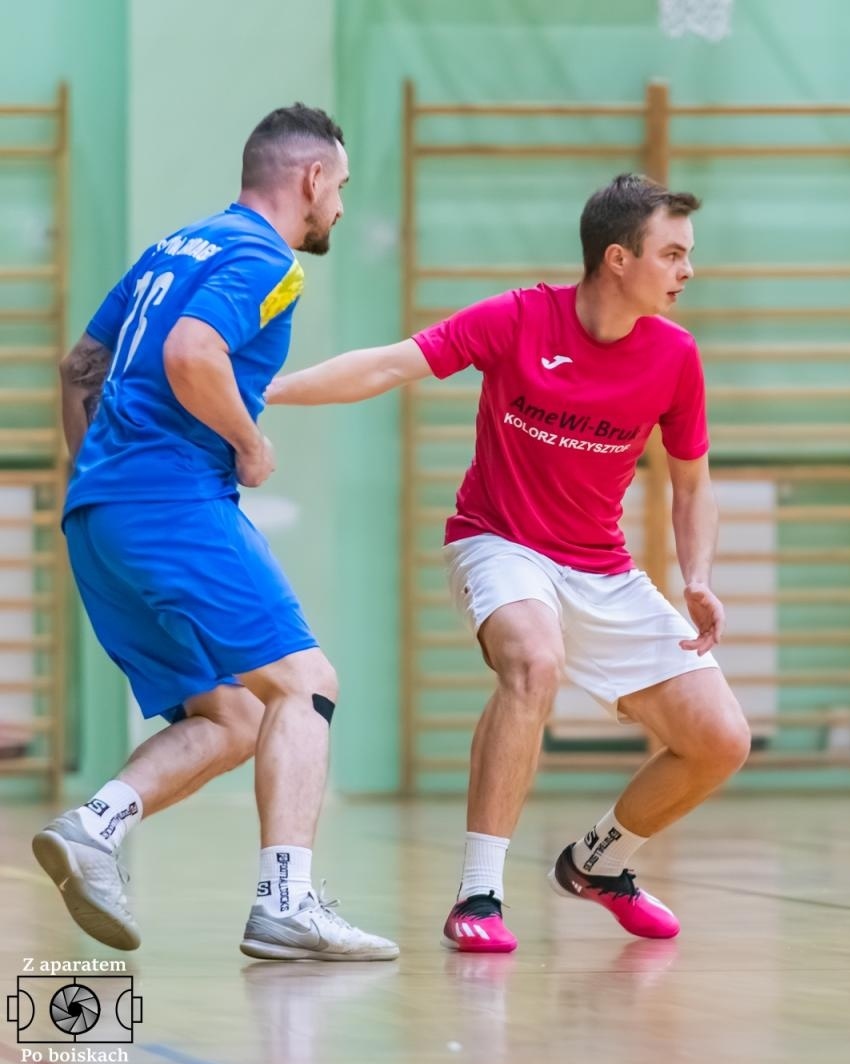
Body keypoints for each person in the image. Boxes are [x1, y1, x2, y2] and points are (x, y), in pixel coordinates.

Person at [268, 173, 750, 953]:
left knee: (720, 739)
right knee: (533, 658)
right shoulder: (520, 319)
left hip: (602, 568)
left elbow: (692, 485)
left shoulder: (674, 356)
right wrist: (266, 390)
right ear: (618, 258)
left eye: (688, 254)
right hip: (499, 542)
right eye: (673, 253)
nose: (687, 270)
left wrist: (696, 576)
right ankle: (479, 894)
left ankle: (600, 863)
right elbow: (391, 364)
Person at [34, 104, 397, 962]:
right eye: (340, 187)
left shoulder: (175, 246)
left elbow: (78, 367)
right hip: (174, 504)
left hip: (101, 516)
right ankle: (288, 903)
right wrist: (249, 439)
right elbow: (194, 353)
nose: (340, 207)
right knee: (305, 683)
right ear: (311, 178)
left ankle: (96, 825)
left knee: (233, 715)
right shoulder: (269, 261)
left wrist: (108, 479)